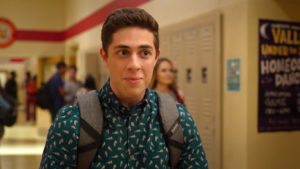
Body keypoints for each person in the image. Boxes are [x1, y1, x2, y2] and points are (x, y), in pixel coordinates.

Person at [40, 8, 208, 169]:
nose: (134, 65)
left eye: (144, 53)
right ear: (105, 57)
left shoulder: (178, 123)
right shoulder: (71, 124)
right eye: (123, 53)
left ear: (156, 57)